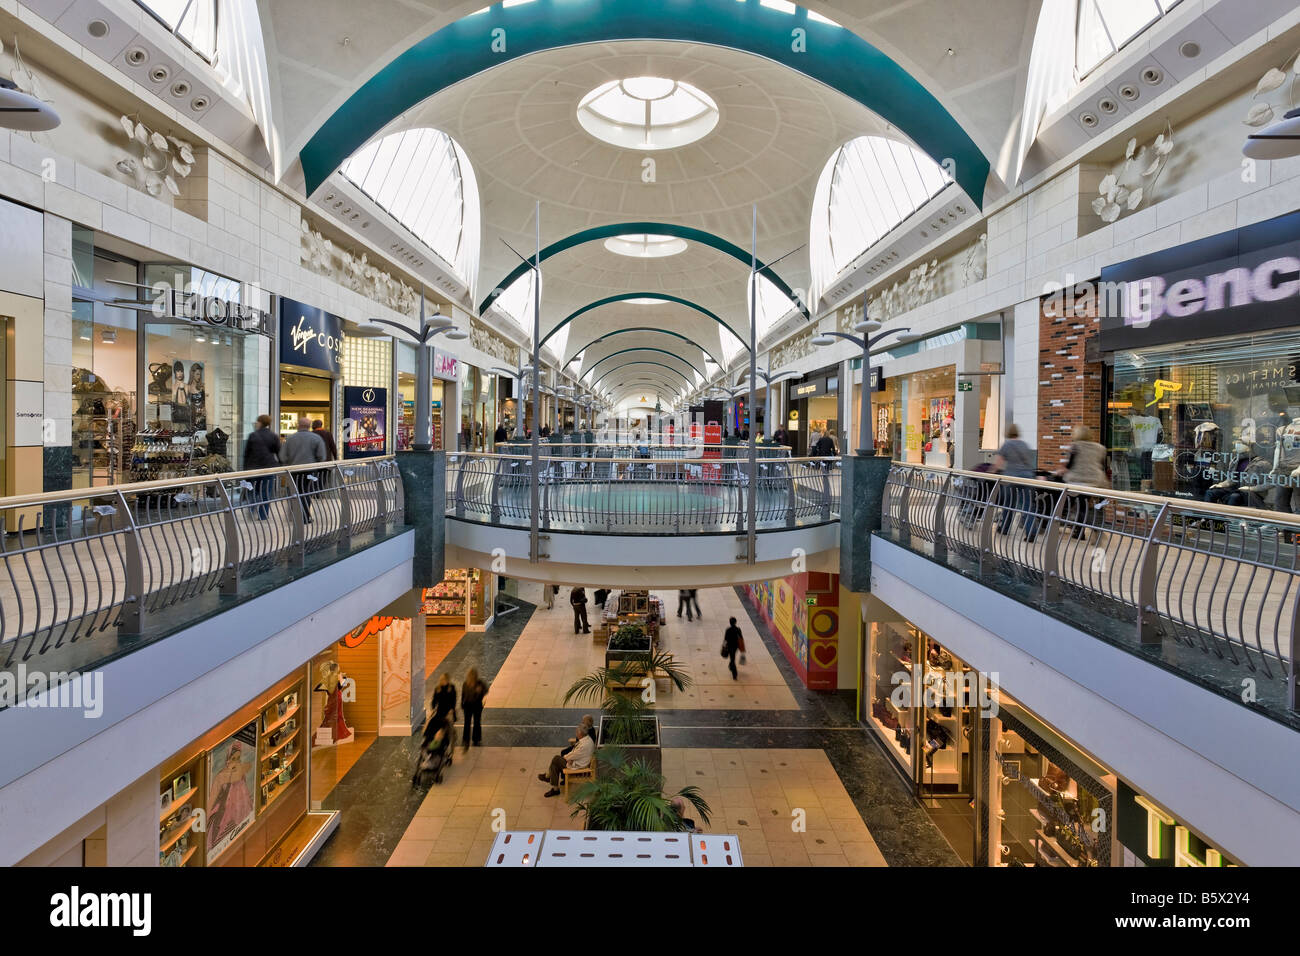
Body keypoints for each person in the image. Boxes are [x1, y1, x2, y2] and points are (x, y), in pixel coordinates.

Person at [1056, 425, 1110, 539]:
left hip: (1078, 481)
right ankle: (1091, 530)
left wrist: (1060, 471)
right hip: (1096, 481)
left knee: (1078, 506)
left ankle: (1079, 531)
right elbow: (1101, 465)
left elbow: (1069, 466)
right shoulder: (1100, 448)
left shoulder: (1075, 446)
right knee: (1086, 506)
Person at [994, 423, 1038, 538]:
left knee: (1009, 504)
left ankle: (1004, 528)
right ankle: (1031, 532)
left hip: (1011, 477)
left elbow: (998, 464)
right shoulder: (1025, 445)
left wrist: (990, 472)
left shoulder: (1006, 445)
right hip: (1028, 477)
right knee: (1028, 505)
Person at [281, 416, 328, 523]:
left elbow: (283, 456)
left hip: (294, 471)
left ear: (298, 425)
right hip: (310, 471)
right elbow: (322, 456)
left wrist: (288, 463)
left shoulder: (290, 439)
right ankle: (305, 516)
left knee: (295, 492)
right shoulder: (316, 438)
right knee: (306, 492)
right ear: (309, 426)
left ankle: (295, 515)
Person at [539, 718, 595, 797]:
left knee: (556, 759)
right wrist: (569, 758)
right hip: (579, 761)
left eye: (576, 732)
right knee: (555, 763)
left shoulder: (584, 745)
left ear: (580, 734)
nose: (576, 734)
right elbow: (575, 754)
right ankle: (552, 783)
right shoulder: (587, 739)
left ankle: (550, 780)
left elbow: (572, 755)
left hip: (579, 767)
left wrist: (567, 758)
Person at [242, 414, 280, 519]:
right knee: (266, 492)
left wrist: (245, 470)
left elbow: (246, 454)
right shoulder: (273, 436)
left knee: (253, 491)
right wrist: (280, 465)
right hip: (268, 468)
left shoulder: (253, 435)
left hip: (253, 468)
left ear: (260, 423)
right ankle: (263, 515)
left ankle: (251, 511)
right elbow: (278, 452)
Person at [461, 668, 488, 750]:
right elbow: (463, 695)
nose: (471, 676)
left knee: (476, 722)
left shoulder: (479, 683)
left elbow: (486, 690)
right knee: (467, 723)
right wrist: (462, 704)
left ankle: (476, 739)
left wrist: (481, 691)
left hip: (477, 706)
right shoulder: (466, 684)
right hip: (468, 706)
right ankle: (466, 739)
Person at [722, 616, 743, 680]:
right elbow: (741, 638)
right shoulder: (738, 629)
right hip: (735, 646)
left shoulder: (728, 630)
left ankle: (735, 674)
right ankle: (731, 665)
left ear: (730, 623)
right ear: (735, 622)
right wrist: (742, 648)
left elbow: (725, 639)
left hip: (729, 646)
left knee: (732, 659)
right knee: (732, 657)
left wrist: (723, 646)